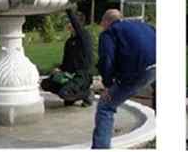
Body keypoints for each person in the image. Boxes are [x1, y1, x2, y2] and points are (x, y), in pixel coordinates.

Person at [92, 9, 156, 149]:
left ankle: (100, 148)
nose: (101, 27)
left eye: (102, 23)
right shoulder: (143, 25)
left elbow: (106, 60)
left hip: (139, 71)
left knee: (105, 106)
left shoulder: (109, 32)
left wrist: (107, 86)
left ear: (106, 21)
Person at [40, 9, 93, 107]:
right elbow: (66, 62)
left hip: (82, 76)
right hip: (69, 75)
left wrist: (68, 9)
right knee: (45, 83)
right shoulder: (69, 41)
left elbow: (77, 26)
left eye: (70, 22)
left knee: (64, 93)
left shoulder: (84, 37)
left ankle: (86, 94)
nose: (68, 24)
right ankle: (71, 95)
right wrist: (59, 70)